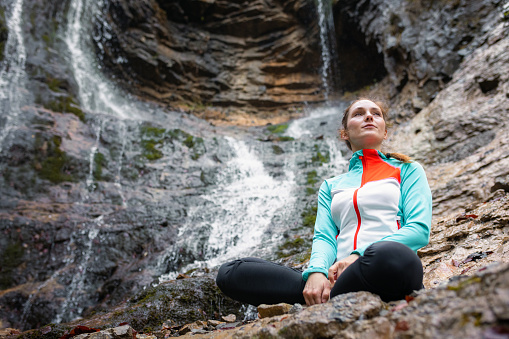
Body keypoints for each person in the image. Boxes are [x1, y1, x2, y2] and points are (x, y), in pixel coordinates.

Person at [216, 98, 432, 306]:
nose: (369, 116)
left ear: (385, 132)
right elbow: (325, 237)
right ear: (344, 133)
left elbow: (418, 230)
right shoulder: (331, 186)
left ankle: (329, 298)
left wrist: (358, 256)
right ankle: (326, 294)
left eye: (376, 114)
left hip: (384, 266)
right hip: (338, 277)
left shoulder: (408, 170)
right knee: (231, 271)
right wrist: (317, 272)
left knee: (394, 256)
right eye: (359, 114)